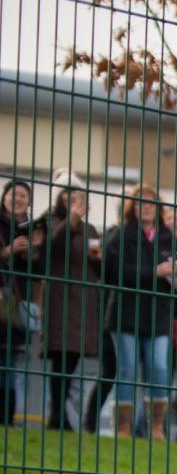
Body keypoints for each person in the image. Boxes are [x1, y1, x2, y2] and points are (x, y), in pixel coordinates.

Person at [100, 189, 177, 442]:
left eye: (151, 204)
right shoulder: (120, 235)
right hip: (126, 313)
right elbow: (113, 272)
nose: (146, 208)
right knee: (127, 369)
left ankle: (155, 427)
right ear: (132, 207)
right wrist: (152, 272)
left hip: (158, 314)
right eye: (141, 203)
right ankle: (122, 427)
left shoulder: (168, 238)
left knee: (159, 368)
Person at [35, 178, 106, 431]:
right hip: (60, 300)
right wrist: (72, 220)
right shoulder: (51, 222)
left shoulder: (90, 230)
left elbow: (98, 265)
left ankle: (60, 413)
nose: (73, 200)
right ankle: (57, 415)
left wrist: (98, 257)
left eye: (78, 196)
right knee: (61, 358)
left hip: (84, 302)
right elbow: (51, 245)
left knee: (73, 359)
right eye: (69, 196)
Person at [1, 178, 38, 427]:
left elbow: (39, 272)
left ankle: (7, 417)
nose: (18, 199)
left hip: (16, 304)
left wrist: (33, 250)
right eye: (13, 194)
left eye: (23, 195)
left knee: (11, 361)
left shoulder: (33, 229)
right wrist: (7, 252)